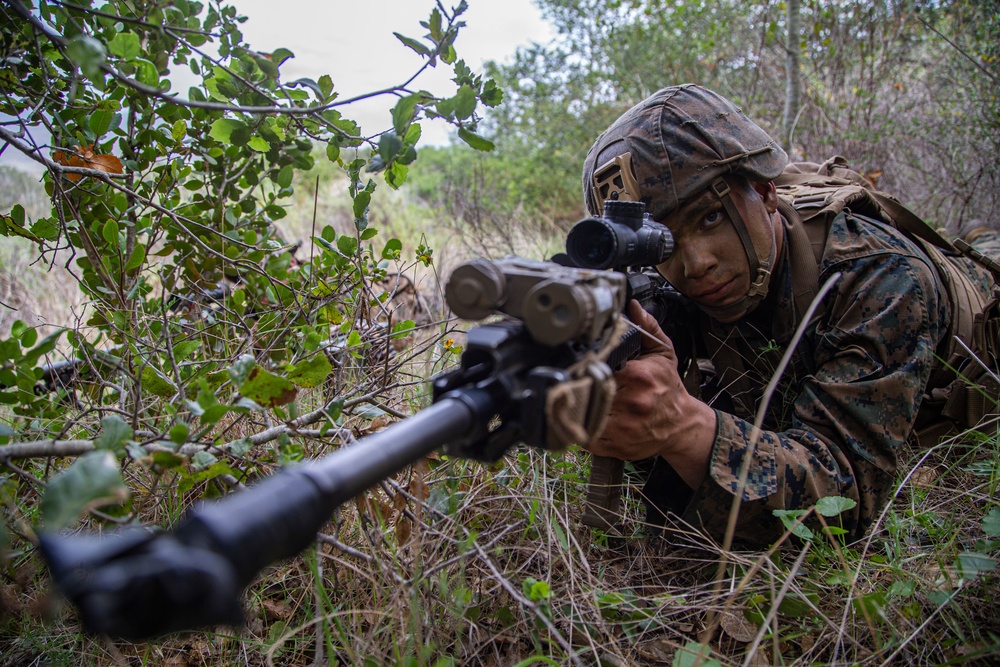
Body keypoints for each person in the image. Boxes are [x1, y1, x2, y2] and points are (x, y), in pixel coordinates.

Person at [580, 84, 998, 546]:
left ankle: (981, 235)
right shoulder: (666, 285)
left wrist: (683, 427)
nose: (696, 264)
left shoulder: (881, 278)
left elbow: (842, 502)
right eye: (666, 243)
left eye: (710, 219)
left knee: (986, 251)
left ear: (763, 190)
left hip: (971, 298)